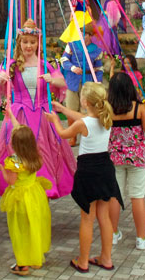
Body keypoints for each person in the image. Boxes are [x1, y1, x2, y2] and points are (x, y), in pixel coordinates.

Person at [0, 19, 75, 199]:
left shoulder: (45, 65)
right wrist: (0, 79)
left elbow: (62, 83)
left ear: (37, 43)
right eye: (25, 42)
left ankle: (44, 188)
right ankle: (20, 188)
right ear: (19, 42)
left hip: (42, 115)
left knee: (43, 149)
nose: (28, 46)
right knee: (19, 149)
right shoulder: (11, 64)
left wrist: (52, 79)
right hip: (19, 115)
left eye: (32, 42)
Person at [47, 82, 121, 273]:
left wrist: (55, 119)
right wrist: (63, 109)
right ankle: (106, 258)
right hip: (105, 169)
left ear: (85, 101)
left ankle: (83, 261)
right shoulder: (106, 117)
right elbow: (84, 118)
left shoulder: (82, 124)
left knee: (87, 218)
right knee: (103, 217)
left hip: (88, 171)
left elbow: (63, 134)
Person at [0, 103, 51, 274]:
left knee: (20, 230)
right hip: (35, 194)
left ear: (15, 144)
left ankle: (23, 264)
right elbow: (21, 130)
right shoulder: (35, 156)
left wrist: (1, 170)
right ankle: (35, 259)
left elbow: (11, 182)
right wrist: (11, 116)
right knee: (34, 226)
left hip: (20, 198)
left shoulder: (14, 162)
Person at [107, 72, 145, 251]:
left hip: (114, 157)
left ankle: (112, 234)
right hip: (137, 158)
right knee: (137, 196)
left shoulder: (108, 110)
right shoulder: (140, 109)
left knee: (114, 195)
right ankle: (141, 238)